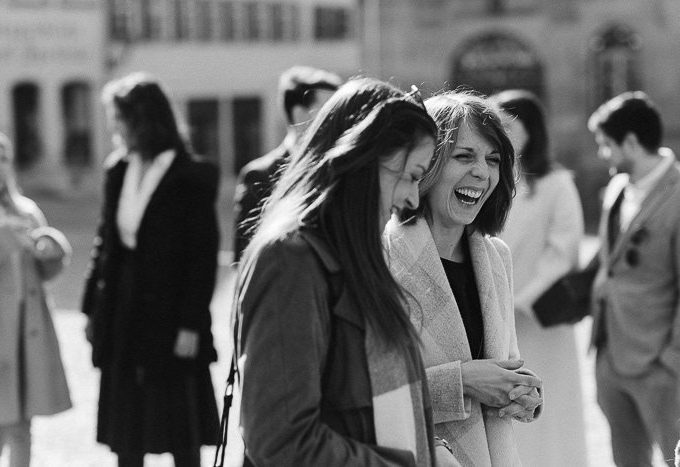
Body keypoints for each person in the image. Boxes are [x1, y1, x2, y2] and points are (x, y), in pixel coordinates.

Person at [235, 77, 453, 466]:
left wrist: (432, 451)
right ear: (362, 159)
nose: (411, 198)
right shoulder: (291, 262)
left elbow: (384, 409)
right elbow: (282, 439)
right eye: (411, 175)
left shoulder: (356, 255)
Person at [384, 91, 543, 467]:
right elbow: (367, 394)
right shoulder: (382, 256)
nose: (483, 173)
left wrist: (523, 391)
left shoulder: (496, 256)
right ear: (424, 164)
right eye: (464, 156)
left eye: (493, 160)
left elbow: (505, 365)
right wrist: (463, 382)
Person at [81, 72, 220, 467]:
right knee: (126, 432)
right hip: (123, 313)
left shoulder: (191, 175)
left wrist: (191, 325)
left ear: (141, 119)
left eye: (118, 118)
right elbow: (105, 243)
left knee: (182, 431)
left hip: (171, 314)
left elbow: (201, 257)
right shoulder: (118, 169)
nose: (114, 127)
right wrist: (92, 308)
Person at [491, 89, 588, 467]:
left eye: (508, 124)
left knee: (552, 407)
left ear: (530, 129)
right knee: (509, 408)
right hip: (499, 318)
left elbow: (563, 251)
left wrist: (522, 300)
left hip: (542, 318)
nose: (500, 132)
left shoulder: (558, 183)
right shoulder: (494, 180)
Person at [587, 91, 680, 466]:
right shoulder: (617, 187)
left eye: (606, 145)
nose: (602, 154)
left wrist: (671, 362)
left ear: (630, 142)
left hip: (662, 366)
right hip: (611, 353)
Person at [0, 125, 72, 467]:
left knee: (22, 425)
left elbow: (44, 274)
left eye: (4, 159)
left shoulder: (26, 210)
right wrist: (0, 237)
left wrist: (51, 251)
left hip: (26, 329)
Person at [233, 65, 342, 262]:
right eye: (330, 112)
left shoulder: (343, 168)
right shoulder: (260, 175)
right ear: (300, 115)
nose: (341, 120)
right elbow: (244, 258)